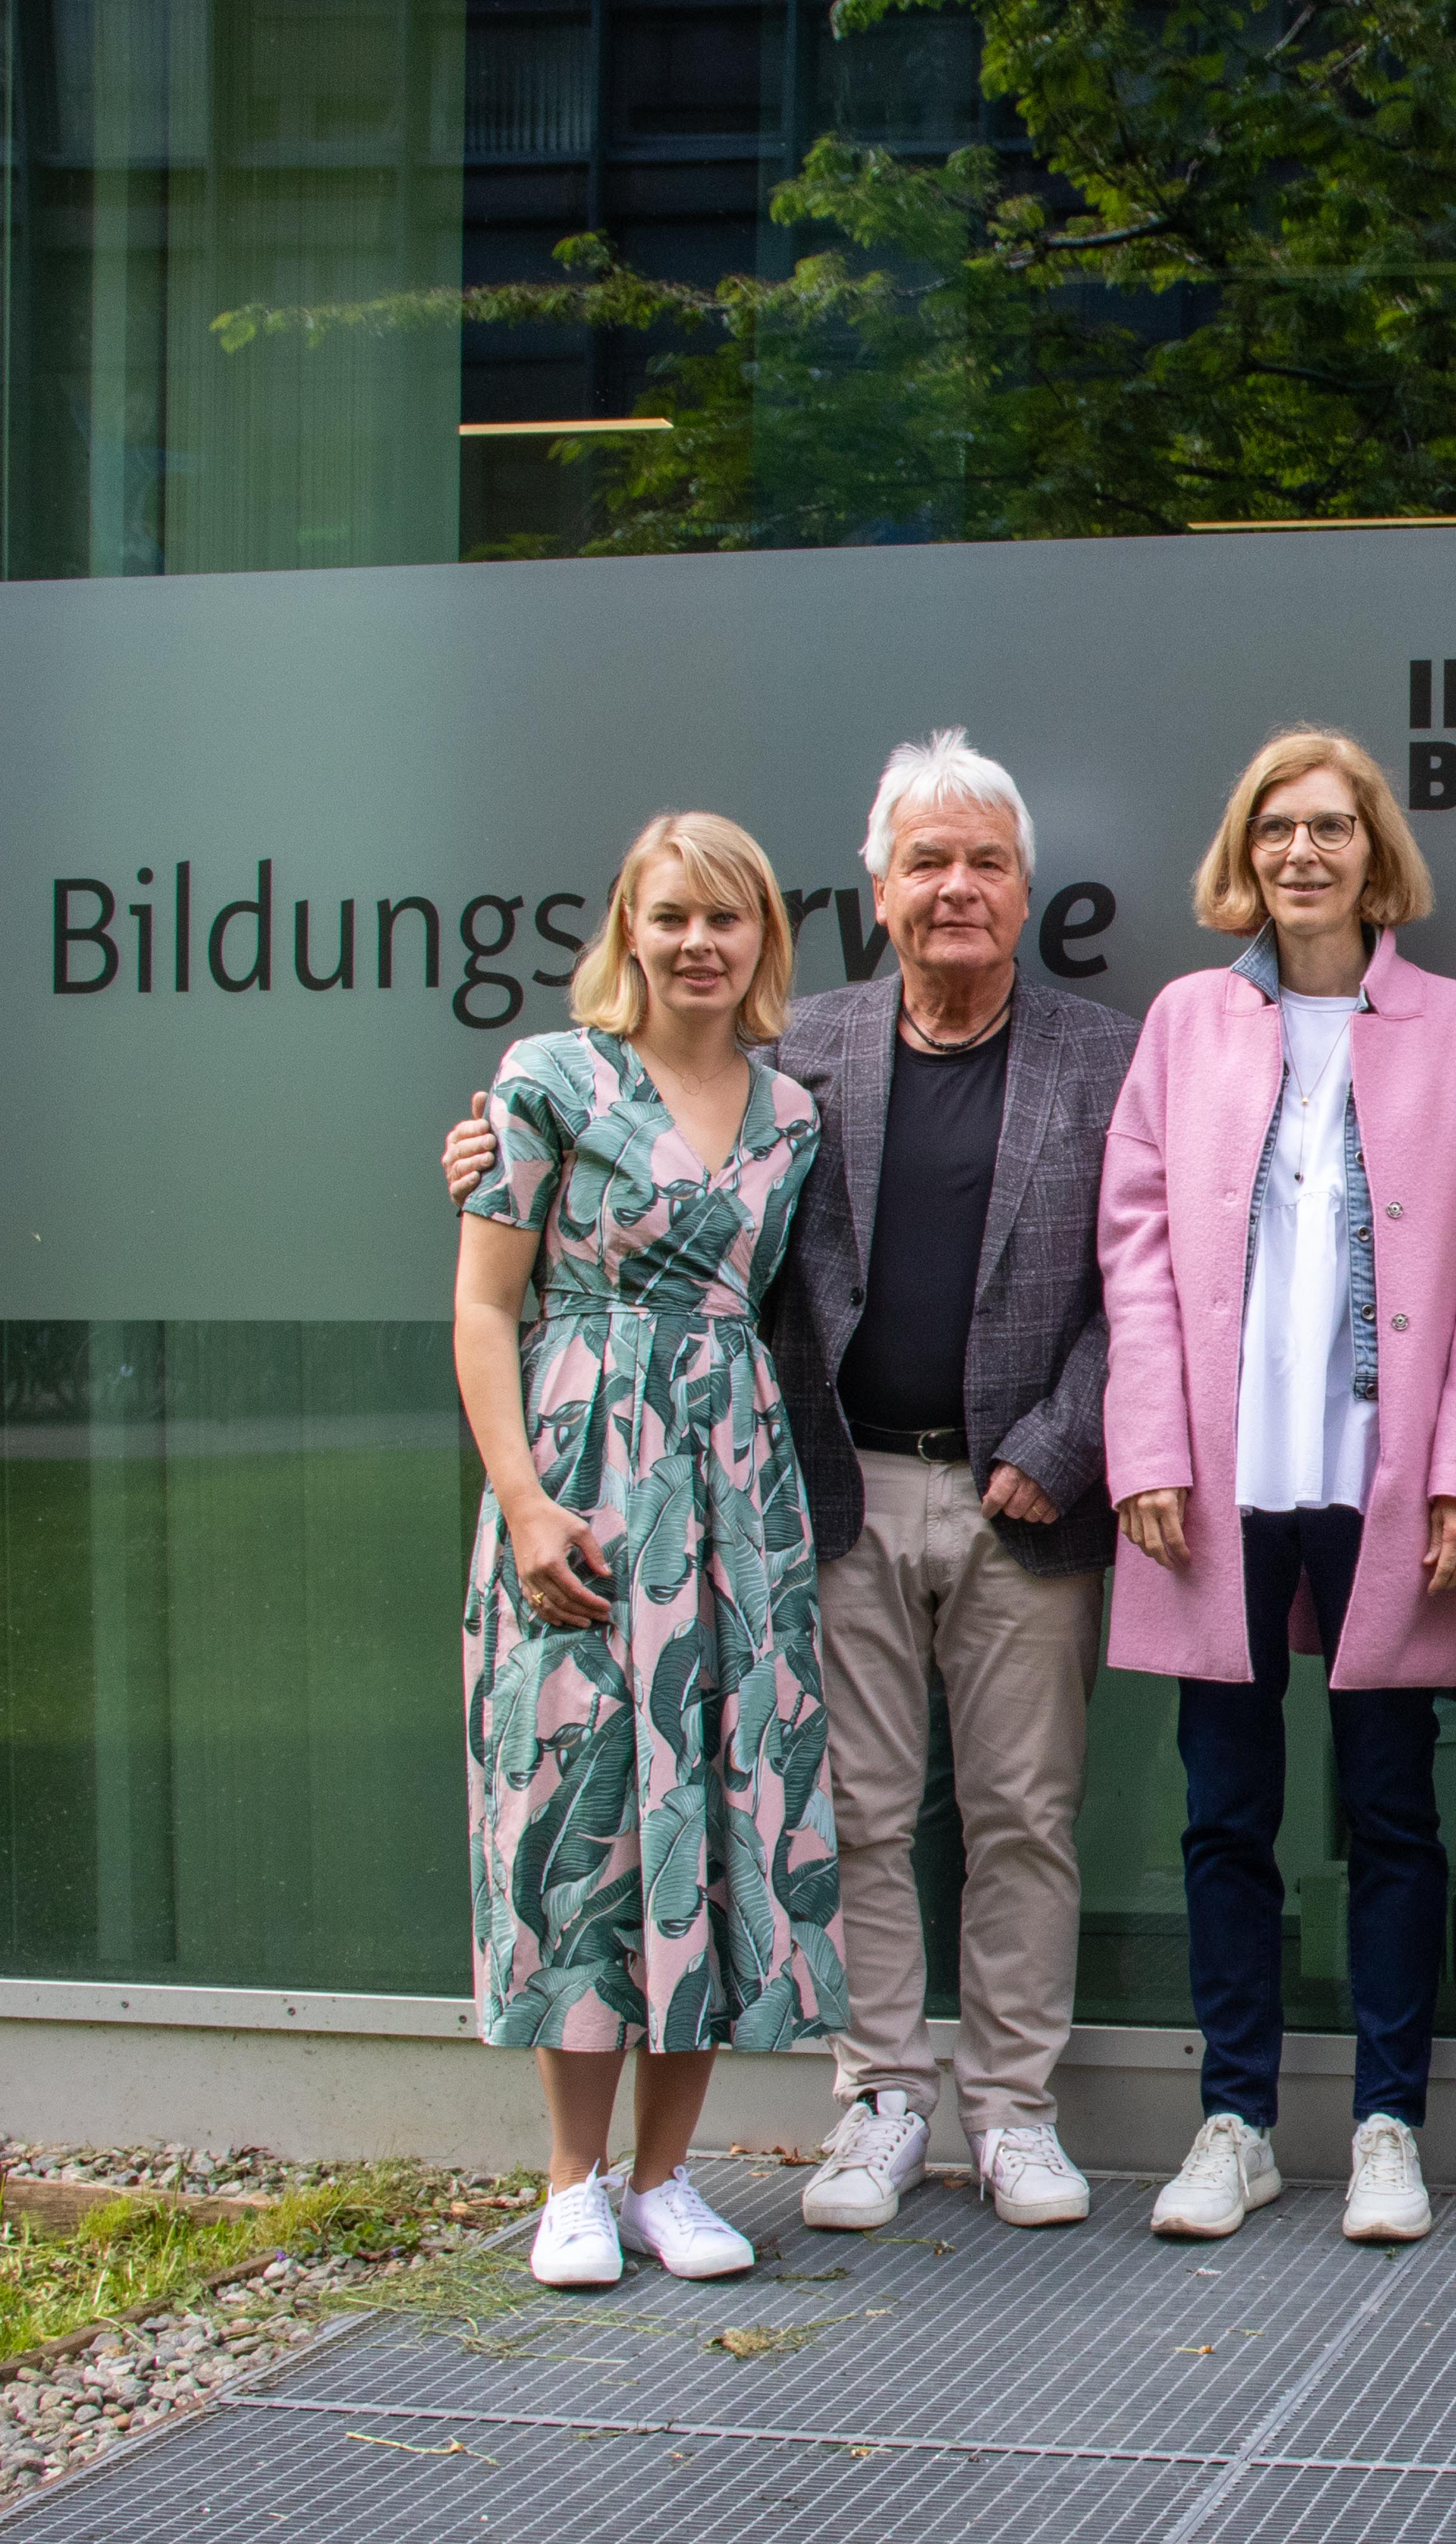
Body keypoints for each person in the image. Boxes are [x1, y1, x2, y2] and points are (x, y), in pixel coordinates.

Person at [448, 731, 1139, 2238]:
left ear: (1024, 889)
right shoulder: (800, 1055)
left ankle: (1015, 2108)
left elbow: (1142, 1280)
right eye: (926, 861)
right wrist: (488, 1156)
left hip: (1027, 1494)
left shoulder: (1107, 1053)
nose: (956, 887)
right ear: (875, 890)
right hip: (825, 1493)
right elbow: (630, 1176)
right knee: (859, 1812)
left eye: (986, 862)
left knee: (1025, 1812)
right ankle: (881, 2098)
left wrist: (1063, 1441)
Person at [1096, 726, 1456, 2246]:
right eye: (1276, 827)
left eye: (1333, 827)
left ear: (1375, 849)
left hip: (1382, 1482)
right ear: (1245, 850)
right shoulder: (1187, 1022)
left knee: (1394, 1810)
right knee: (1226, 1810)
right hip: (1219, 1479)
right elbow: (1132, 1249)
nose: (1303, 853)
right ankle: (1237, 2117)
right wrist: (1143, 1441)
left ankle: (1391, 2120)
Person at [455, 812, 837, 2293]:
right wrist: (526, 1498)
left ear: (761, 940)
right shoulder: (550, 1077)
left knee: (719, 1814)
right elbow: (487, 1305)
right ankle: (570, 2181)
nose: (697, 942)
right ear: (629, 924)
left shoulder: (793, 1111)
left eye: (725, 919)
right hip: (581, 1485)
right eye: (670, 914)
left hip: (738, 1501)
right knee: (585, 1808)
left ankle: (670, 2176)